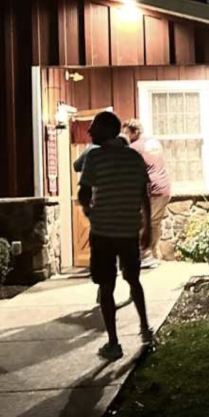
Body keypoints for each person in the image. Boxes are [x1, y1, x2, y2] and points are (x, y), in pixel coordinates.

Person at [77, 111, 153, 360]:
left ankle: (114, 343)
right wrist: (148, 228)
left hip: (103, 234)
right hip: (129, 231)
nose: (90, 133)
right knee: (134, 280)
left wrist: (90, 213)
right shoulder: (134, 158)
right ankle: (145, 328)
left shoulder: (94, 158)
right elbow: (144, 196)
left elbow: (83, 195)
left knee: (106, 287)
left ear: (106, 130)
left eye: (94, 128)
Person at [121, 119, 172, 268]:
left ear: (135, 132)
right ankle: (153, 255)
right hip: (164, 187)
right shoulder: (152, 142)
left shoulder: (135, 147)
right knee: (153, 222)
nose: (124, 136)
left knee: (146, 223)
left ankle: (146, 256)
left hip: (153, 188)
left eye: (126, 133)